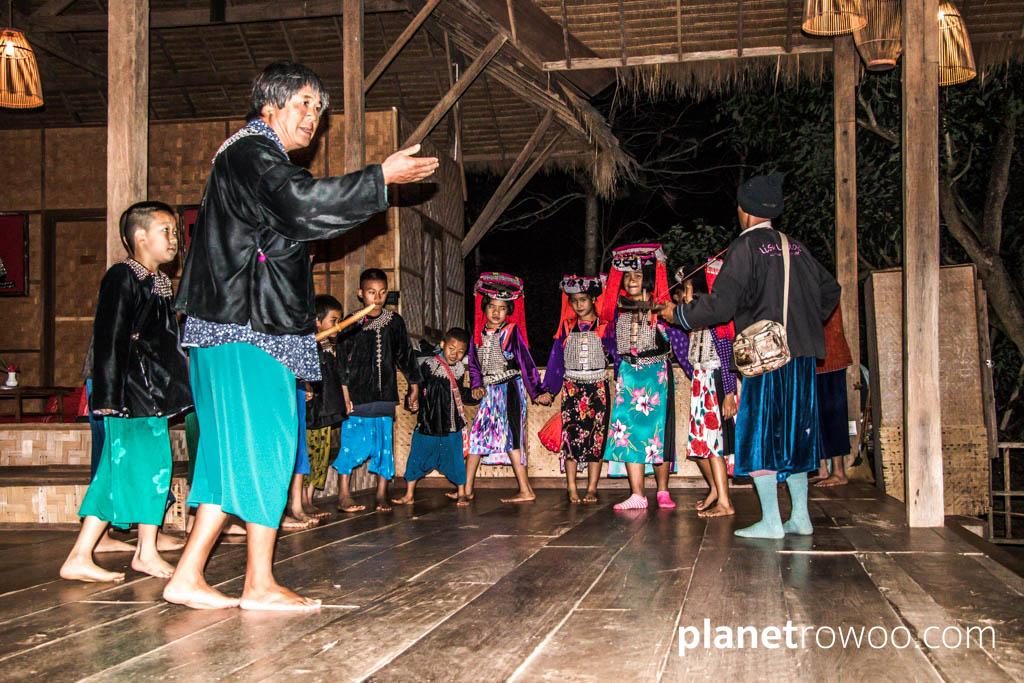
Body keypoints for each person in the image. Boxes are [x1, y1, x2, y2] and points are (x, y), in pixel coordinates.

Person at [163, 61, 437, 612]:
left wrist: (369, 191)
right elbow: (302, 205)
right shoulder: (253, 153)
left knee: (226, 456)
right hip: (247, 327)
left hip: (229, 328)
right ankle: (259, 582)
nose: (313, 115)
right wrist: (378, 178)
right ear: (269, 104)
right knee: (268, 445)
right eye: (303, 102)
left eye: (320, 107)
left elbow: (307, 216)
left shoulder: (249, 160)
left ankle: (188, 574)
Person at [663, 172, 840, 539]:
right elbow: (830, 290)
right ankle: (800, 517)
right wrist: (804, 321)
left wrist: (678, 315)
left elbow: (721, 306)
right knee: (796, 434)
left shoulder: (745, 248)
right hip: (803, 354)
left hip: (766, 356)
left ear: (744, 210)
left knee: (759, 433)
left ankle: (772, 521)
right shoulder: (797, 247)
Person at [60, 201, 193, 583]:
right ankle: (95, 554)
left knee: (149, 468)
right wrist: (107, 399)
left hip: (150, 392)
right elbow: (110, 339)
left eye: (174, 232)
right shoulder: (122, 276)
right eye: (165, 231)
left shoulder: (161, 283)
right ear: (139, 237)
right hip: (128, 393)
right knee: (136, 468)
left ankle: (139, 551)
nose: (173, 240)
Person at [601, 244, 690, 511]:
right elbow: (612, 345)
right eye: (627, 276)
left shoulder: (659, 305)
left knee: (657, 434)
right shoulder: (617, 309)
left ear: (647, 279)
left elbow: (678, 339)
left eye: (637, 276)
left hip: (655, 376)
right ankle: (637, 493)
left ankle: (662, 490)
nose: (631, 280)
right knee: (626, 433)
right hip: (628, 374)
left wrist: (692, 371)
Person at [334, 268, 421, 513]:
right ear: (361, 293)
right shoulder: (350, 324)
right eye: (371, 292)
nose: (377, 298)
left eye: (382, 293)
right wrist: (345, 395)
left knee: (385, 446)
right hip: (358, 396)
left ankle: (382, 493)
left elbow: (405, 355)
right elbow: (341, 362)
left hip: (385, 396)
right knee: (351, 444)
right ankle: (343, 494)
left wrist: (414, 385)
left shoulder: (394, 322)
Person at [466, 273, 552, 504]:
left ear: (509, 311)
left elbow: (526, 363)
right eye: (492, 307)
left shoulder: (511, 332)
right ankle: (467, 489)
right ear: (484, 308)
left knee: (512, 438)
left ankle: (526, 489)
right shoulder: (478, 336)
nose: (496, 312)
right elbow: (474, 366)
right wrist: (476, 385)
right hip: (488, 393)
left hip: (509, 390)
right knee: (476, 436)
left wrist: (537, 390)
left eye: (502, 308)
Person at [540, 274, 612, 504]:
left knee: (596, 438)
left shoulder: (604, 326)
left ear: (593, 299)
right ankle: (571, 488)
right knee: (569, 437)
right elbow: (555, 361)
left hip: (598, 387)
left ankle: (591, 488)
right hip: (572, 389)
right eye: (574, 301)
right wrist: (549, 389)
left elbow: (617, 354)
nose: (579, 305)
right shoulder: (566, 327)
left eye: (583, 299)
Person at [680, 259, 739, 519]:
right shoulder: (696, 322)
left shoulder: (716, 322)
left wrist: (729, 393)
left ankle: (725, 501)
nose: (684, 295)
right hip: (700, 382)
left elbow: (727, 360)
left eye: (688, 289)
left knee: (715, 445)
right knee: (701, 444)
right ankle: (716, 489)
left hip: (715, 382)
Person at [393, 327, 472, 506]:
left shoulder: (459, 369)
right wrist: (412, 401)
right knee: (417, 457)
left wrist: (475, 394)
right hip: (428, 423)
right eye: (451, 348)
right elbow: (416, 388)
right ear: (442, 345)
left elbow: (459, 393)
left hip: (452, 425)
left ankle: (461, 494)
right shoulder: (429, 364)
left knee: (456, 459)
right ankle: (409, 495)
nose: (455, 354)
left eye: (460, 351)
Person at [303, 295, 347, 511]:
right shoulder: (306, 346)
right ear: (317, 321)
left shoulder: (330, 347)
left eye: (340, 321)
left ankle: (309, 498)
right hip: (311, 412)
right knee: (308, 453)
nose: (337, 326)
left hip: (327, 410)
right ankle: (302, 499)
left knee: (322, 453)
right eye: (333, 320)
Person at [811, 306, 854, 487]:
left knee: (833, 416)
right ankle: (823, 469)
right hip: (816, 359)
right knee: (817, 416)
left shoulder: (824, 287)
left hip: (831, 358)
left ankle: (838, 471)